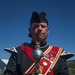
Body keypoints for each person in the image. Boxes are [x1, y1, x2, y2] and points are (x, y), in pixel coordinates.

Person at [4, 12, 70, 75]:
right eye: (36, 26)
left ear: (48, 31)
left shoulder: (58, 53)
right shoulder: (18, 52)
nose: (40, 29)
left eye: (43, 26)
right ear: (30, 30)